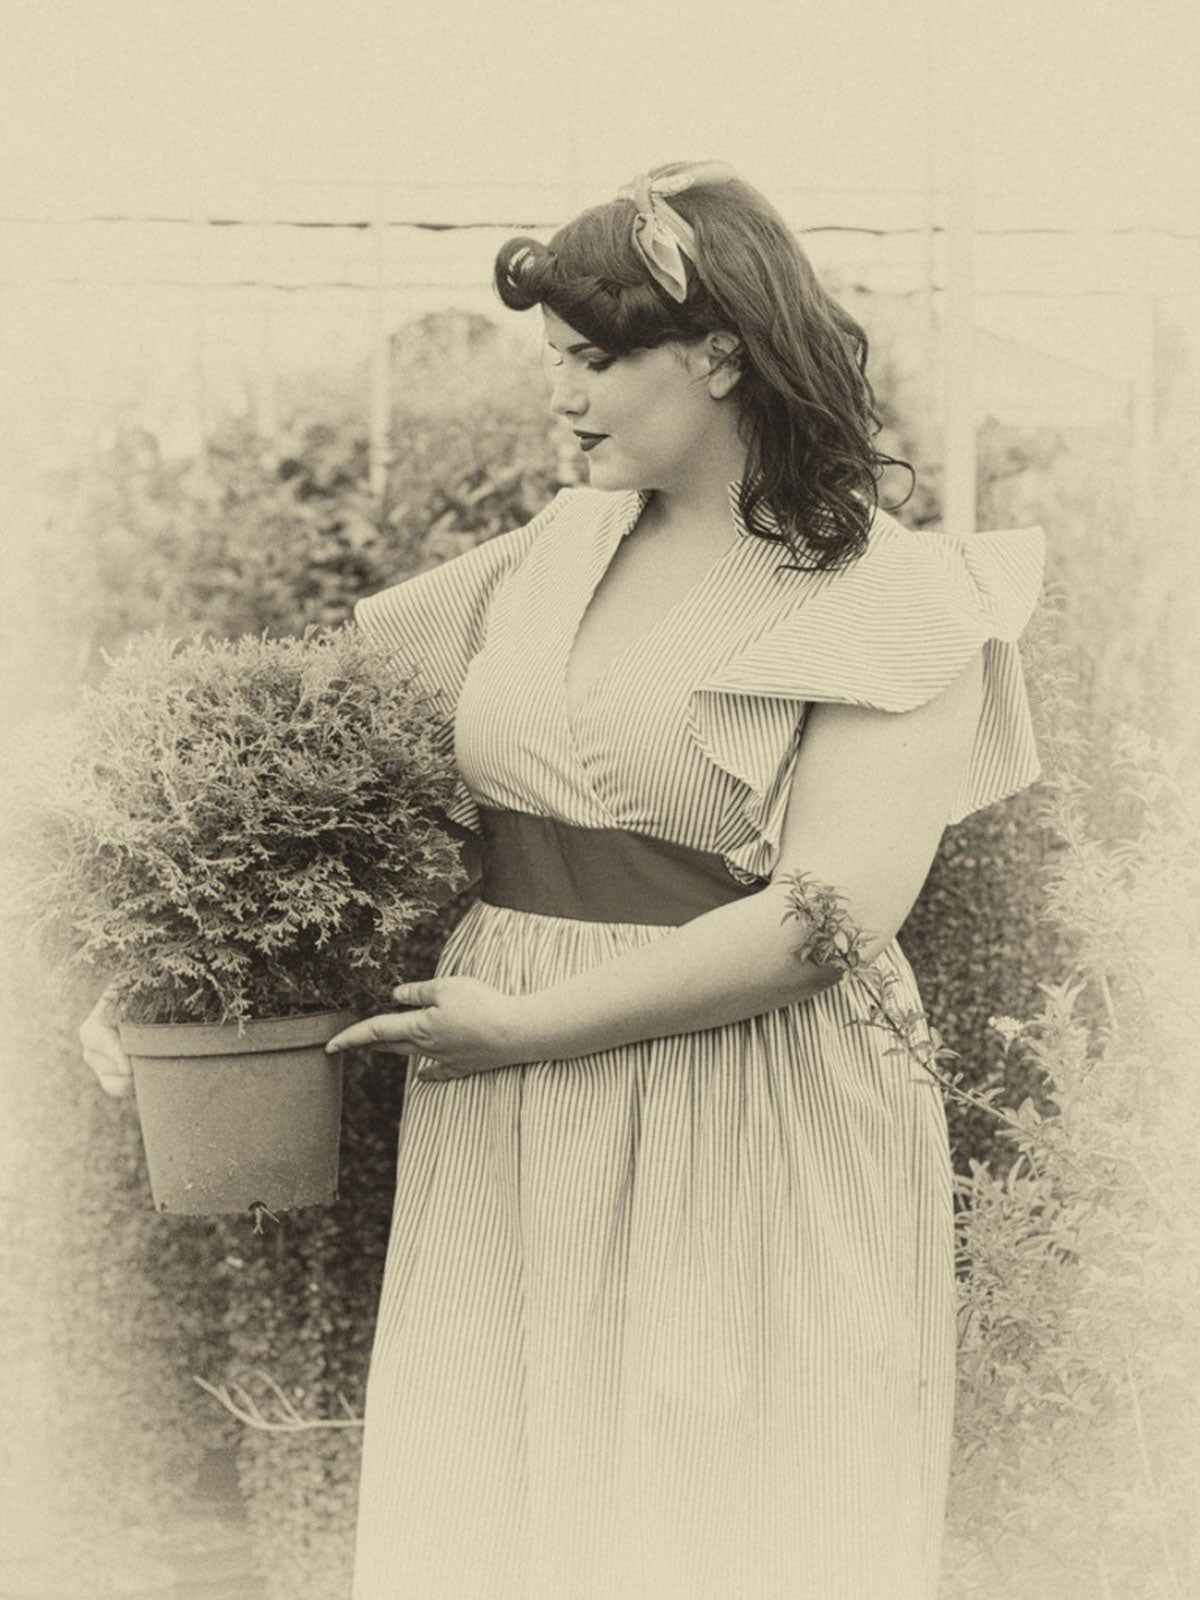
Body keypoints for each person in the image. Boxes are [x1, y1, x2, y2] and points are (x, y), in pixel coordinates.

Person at [81, 160, 1045, 1600]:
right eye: (554, 363)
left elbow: (824, 921)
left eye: (597, 360)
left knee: (712, 1499)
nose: (564, 396)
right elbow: (344, 794)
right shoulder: (552, 546)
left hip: (742, 1099)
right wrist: (179, 966)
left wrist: (525, 1028)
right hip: (511, 1105)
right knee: (498, 1491)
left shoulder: (887, 591)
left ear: (719, 354)